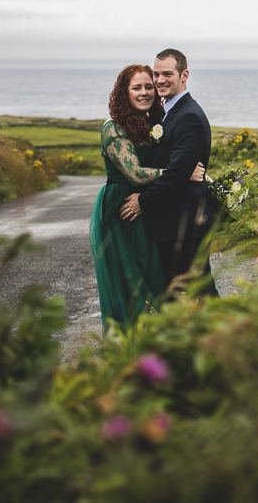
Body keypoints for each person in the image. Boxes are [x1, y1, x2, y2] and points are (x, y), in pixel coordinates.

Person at [89, 64, 206, 331]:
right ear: (124, 93)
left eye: (148, 87)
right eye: (136, 88)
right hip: (121, 207)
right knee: (130, 275)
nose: (144, 93)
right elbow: (135, 173)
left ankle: (161, 335)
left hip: (146, 203)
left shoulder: (153, 123)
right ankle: (131, 339)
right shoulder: (113, 128)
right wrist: (180, 173)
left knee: (153, 271)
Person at [119, 48, 218, 295]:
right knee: (188, 293)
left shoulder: (189, 116)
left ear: (184, 75)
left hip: (183, 224)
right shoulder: (168, 111)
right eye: (156, 74)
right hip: (172, 222)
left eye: (168, 74)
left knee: (193, 292)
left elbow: (175, 174)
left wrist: (143, 201)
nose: (160, 80)